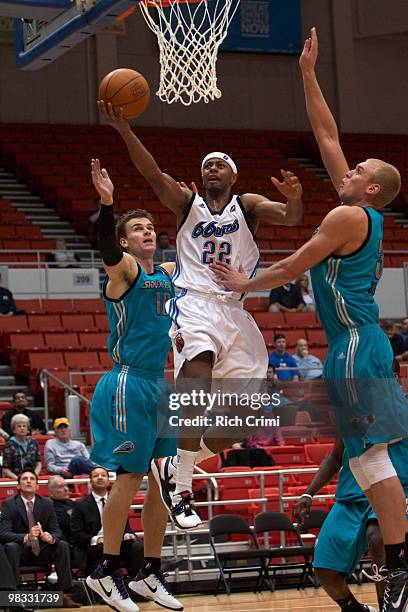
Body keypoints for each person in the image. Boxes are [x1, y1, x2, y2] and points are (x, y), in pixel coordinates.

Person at [210, 26, 408, 612]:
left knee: (371, 456)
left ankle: (399, 569)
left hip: (354, 344)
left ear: (369, 186)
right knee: (368, 456)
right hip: (356, 344)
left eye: (355, 169)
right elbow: (327, 132)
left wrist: (247, 284)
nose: (342, 169)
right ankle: (398, 571)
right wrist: (307, 74)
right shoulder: (356, 208)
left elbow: (296, 261)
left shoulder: (350, 218)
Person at [98, 100, 303, 531]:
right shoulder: (186, 204)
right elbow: (153, 174)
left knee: (242, 421)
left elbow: (290, 218)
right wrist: (126, 132)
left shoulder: (247, 205)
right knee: (196, 377)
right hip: (194, 303)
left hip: (236, 311)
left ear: (233, 175)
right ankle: (183, 487)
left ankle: (176, 461)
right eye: (206, 165)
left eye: (220, 165)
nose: (212, 169)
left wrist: (296, 200)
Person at [85, 158, 182, 612]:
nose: (148, 231)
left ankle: (150, 571)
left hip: (157, 385)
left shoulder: (166, 275)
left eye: (150, 227)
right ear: (126, 241)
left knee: (166, 479)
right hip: (126, 383)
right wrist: (107, 204)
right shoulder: (124, 271)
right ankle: (106, 570)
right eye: (138, 228)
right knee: (131, 475)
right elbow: (105, 246)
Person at [295, 438, 408, 612]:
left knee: (377, 538)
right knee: (325, 569)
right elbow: (336, 455)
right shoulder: (348, 414)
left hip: (397, 487)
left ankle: (389, 606)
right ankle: (354, 609)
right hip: (351, 494)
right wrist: (308, 493)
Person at [0, 469, 80, 608]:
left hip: (42, 550)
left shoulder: (47, 503)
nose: (29, 481)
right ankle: (15, 597)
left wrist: (51, 537)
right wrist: (26, 537)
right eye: (25, 479)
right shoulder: (9, 504)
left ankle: (65, 594)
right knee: (11, 547)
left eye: (32, 479)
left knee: (61, 545)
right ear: (18, 486)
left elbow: (56, 530)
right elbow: (4, 533)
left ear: (37, 486)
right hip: (21, 552)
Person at [71, 466, 143, 577]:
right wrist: (97, 539)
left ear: (108, 480)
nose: (100, 478)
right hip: (94, 547)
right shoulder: (80, 505)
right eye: (96, 476)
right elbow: (77, 534)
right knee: (103, 549)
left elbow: (127, 528)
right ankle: (108, 584)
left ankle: (136, 584)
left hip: (118, 544)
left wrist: (128, 534)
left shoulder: (118, 502)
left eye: (103, 475)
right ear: (90, 481)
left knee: (138, 546)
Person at [2, 414, 41, 479]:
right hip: (15, 479)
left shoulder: (34, 443)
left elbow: (38, 463)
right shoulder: (9, 445)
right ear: (14, 430)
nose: (22, 428)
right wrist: (18, 479)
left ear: (28, 429)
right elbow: (5, 469)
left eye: (24, 426)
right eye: (19, 426)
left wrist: (34, 476)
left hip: (32, 478)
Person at [47, 475, 75, 542]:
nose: (66, 489)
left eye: (66, 485)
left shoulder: (73, 503)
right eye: (60, 487)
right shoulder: (48, 507)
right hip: (63, 543)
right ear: (51, 492)